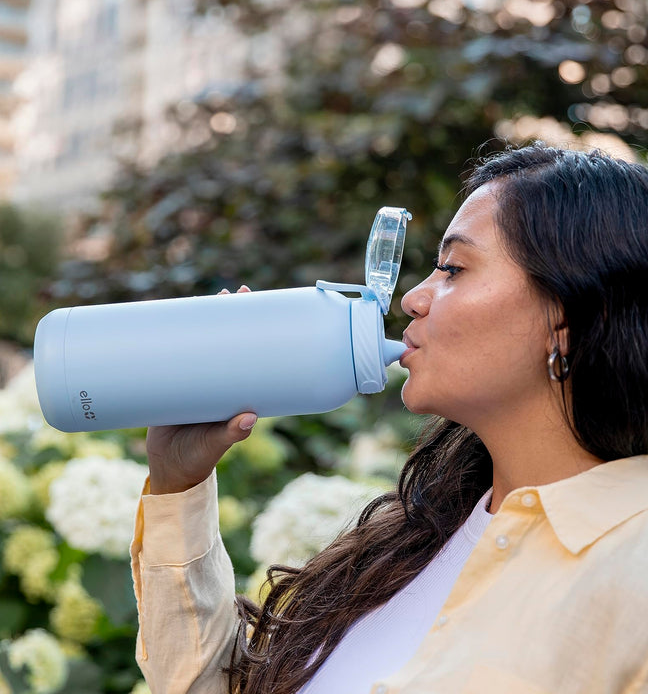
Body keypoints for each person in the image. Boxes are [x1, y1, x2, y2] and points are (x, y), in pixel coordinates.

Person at [130, 143, 648, 694]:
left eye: (453, 269)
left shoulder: (631, 564)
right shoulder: (413, 539)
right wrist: (178, 482)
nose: (414, 300)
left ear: (567, 320)